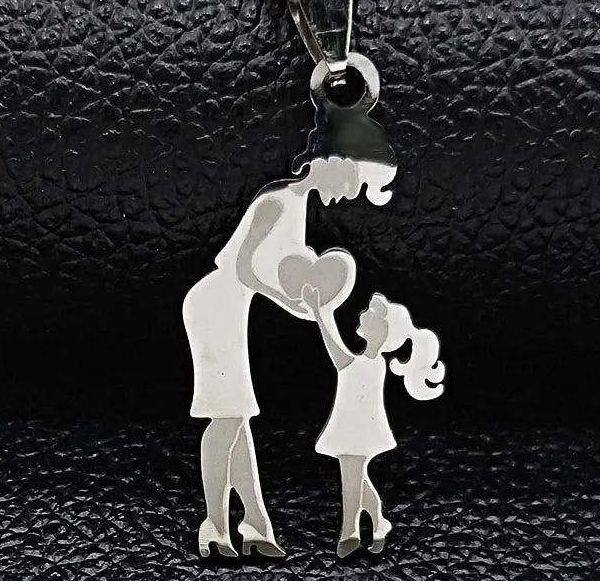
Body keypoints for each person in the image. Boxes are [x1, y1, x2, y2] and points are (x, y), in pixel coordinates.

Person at [183, 149, 396, 558]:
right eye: (347, 183)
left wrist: (309, 306)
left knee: (238, 413)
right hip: (214, 304)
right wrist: (294, 303)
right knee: (226, 416)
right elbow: (244, 267)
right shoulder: (278, 202)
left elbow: (277, 276)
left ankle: (255, 522)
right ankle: (215, 525)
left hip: (232, 306)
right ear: (329, 166)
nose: (344, 194)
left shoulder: (296, 206)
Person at [301, 285, 445, 557]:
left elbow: (335, 351)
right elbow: (337, 353)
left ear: (381, 331)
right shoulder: (367, 363)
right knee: (357, 480)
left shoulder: (369, 364)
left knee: (352, 481)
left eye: (369, 313)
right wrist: (321, 312)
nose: (362, 314)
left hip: (358, 432)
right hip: (352, 430)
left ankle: (350, 533)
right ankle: (378, 523)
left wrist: (320, 313)